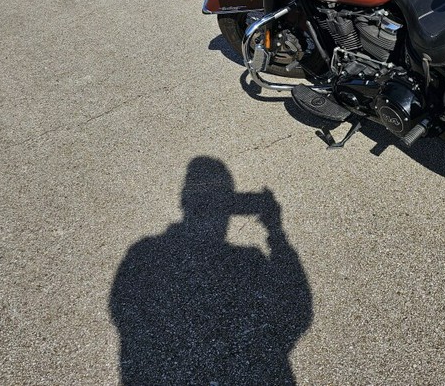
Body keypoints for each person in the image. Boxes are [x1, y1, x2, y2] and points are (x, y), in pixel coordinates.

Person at [110, 156, 312, 384]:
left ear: (184, 200)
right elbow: (298, 310)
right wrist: (276, 231)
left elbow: (124, 312)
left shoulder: (143, 251)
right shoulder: (249, 259)